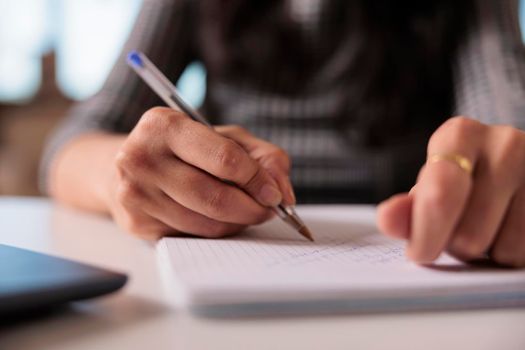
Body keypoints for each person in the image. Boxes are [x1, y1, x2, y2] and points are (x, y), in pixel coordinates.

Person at [41, 0, 525, 267]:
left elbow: (506, 123)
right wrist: (123, 177)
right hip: (231, 250)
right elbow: (72, 144)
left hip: (400, 237)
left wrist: (494, 172)